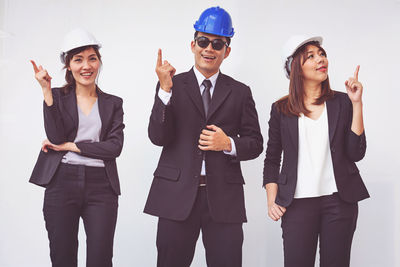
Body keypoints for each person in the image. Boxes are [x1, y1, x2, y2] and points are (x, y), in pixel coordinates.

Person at [144, 6, 263, 267]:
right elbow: (157, 136)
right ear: (193, 44)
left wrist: (228, 144)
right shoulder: (171, 85)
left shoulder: (241, 92)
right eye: (203, 41)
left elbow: (255, 143)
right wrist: (164, 90)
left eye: (217, 43)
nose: (209, 48)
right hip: (176, 196)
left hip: (223, 200)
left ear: (226, 51)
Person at [263, 35, 369, 267]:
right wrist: (273, 199)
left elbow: (356, 153)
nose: (320, 59)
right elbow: (272, 159)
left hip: (339, 202)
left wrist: (357, 103)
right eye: (310, 56)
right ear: (295, 68)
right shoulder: (281, 109)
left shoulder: (342, 102)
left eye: (321, 54)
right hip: (297, 204)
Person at [29, 28, 124, 267]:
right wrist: (46, 91)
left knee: (101, 259)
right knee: (62, 258)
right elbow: (55, 136)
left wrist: (71, 145)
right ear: (68, 65)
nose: (86, 66)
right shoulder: (58, 97)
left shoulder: (113, 103)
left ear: (99, 62)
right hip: (62, 182)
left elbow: (114, 148)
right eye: (78, 59)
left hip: (102, 186)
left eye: (92, 58)